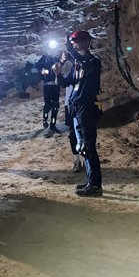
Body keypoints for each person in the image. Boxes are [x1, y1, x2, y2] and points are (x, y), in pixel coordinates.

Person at [54, 31, 102, 196]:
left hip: (87, 108)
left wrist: (71, 52)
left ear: (87, 43)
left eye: (77, 42)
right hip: (77, 110)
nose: (75, 45)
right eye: (73, 43)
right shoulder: (77, 66)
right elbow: (64, 83)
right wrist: (58, 72)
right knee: (82, 147)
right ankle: (90, 182)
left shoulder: (93, 62)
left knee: (88, 147)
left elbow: (86, 65)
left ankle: (95, 186)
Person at [58, 51, 80, 171]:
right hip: (70, 103)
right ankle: (76, 161)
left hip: (82, 103)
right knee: (73, 133)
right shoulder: (69, 66)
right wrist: (62, 61)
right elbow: (60, 79)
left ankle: (86, 161)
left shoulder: (86, 64)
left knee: (84, 134)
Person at [35, 43, 62, 131]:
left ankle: (53, 124)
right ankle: (45, 119)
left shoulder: (56, 58)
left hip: (55, 85)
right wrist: (42, 71)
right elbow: (36, 67)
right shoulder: (44, 59)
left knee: (55, 106)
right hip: (47, 85)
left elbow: (60, 68)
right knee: (47, 105)